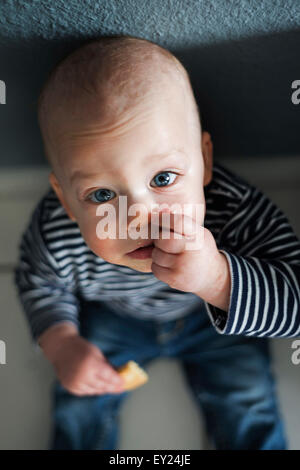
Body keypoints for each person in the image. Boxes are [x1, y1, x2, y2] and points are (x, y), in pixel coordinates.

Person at [14, 35, 300, 450]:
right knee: (79, 404)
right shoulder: (55, 230)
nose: (138, 217)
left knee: (247, 402)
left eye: (163, 179)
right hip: (116, 319)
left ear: (203, 161)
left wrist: (217, 279)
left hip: (212, 322)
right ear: (66, 200)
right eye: (101, 195)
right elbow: (38, 281)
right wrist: (61, 344)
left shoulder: (234, 210)